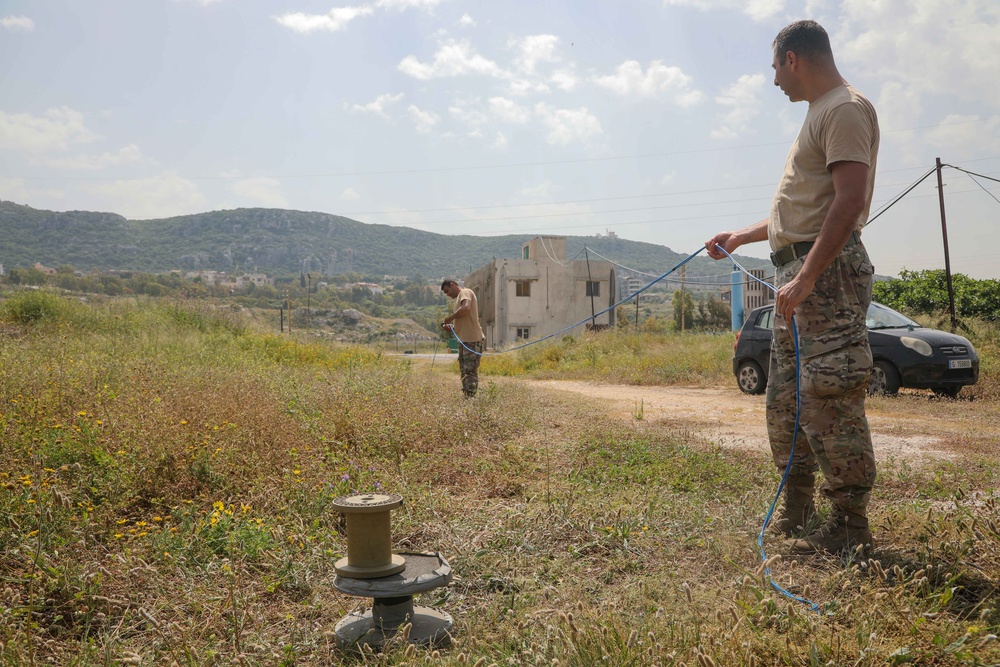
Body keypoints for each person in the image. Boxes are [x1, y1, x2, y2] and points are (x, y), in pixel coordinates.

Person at [705, 20, 879, 554]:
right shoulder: (819, 113)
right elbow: (802, 212)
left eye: (775, 68)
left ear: (793, 59)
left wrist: (806, 276)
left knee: (828, 395)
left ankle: (850, 526)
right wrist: (742, 236)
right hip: (798, 272)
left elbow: (848, 203)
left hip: (822, 276)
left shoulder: (844, 109)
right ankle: (797, 508)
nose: (774, 80)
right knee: (786, 401)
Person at [441, 279, 485, 398]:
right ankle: (467, 395)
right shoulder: (459, 298)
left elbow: (466, 308)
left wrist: (450, 318)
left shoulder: (465, 292)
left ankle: (470, 397)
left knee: (470, 371)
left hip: (472, 340)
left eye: (447, 291)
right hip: (464, 340)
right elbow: (463, 321)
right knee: (465, 371)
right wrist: (452, 328)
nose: (447, 294)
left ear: (452, 285)